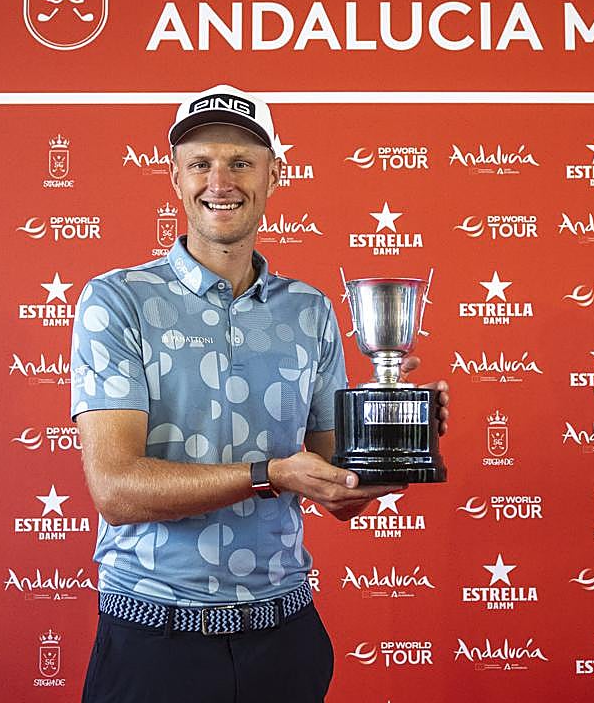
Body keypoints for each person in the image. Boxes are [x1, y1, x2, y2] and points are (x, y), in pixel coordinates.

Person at [69, 84, 449, 703]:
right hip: (155, 641)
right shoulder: (118, 301)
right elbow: (117, 489)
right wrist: (271, 473)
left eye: (242, 162)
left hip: (285, 640)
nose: (221, 180)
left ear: (275, 175)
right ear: (175, 178)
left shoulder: (310, 310)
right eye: (201, 163)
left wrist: (395, 437)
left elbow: (338, 490)